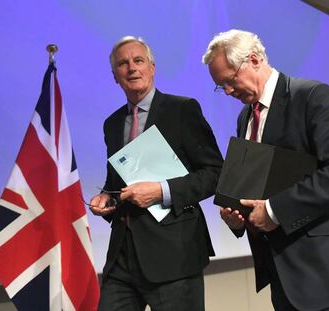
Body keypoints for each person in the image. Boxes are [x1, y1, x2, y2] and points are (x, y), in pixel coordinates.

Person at [202, 29, 329, 311]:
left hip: (321, 271)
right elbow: (257, 185)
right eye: (220, 86)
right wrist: (239, 217)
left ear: (253, 59)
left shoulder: (312, 97)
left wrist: (275, 210)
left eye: (229, 80)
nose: (227, 91)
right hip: (280, 273)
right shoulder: (245, 118)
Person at [89, 36, 223, 311]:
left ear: (152, 67)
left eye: (138, 60)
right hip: (122, 258)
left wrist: (161, 191)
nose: (131, 68)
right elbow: (116, 181)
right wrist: (106, 198)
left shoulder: (182, 109)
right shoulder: (112, 124)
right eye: (123, 64)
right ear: (115, 76)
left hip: (175, 255)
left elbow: (214, 173)